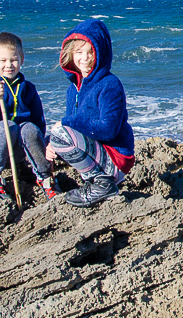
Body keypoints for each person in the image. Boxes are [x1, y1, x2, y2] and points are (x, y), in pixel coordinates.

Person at [45, 19, 135, 207]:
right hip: (98, 155)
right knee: (55, 136)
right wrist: (53, 144)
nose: (84, 58)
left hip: (116, 157)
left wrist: (66, 125)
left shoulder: (110, 84)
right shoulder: (74, 88)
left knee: (61, 130)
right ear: (70, 53)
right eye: (79, 52)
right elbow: (74, 126)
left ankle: (102, 184)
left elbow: (108, 130)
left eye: (91, 52)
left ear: (101, 53)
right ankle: (97, 182)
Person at [0, 32, 58, 202]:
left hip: (17, 153)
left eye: (13, 60)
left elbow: (39, 123)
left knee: (29, 128)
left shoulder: (28, 89)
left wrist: (43, 146)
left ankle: (45, 177)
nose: (9, 65)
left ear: (22, 60)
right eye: (2, 61)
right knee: (7, 125)